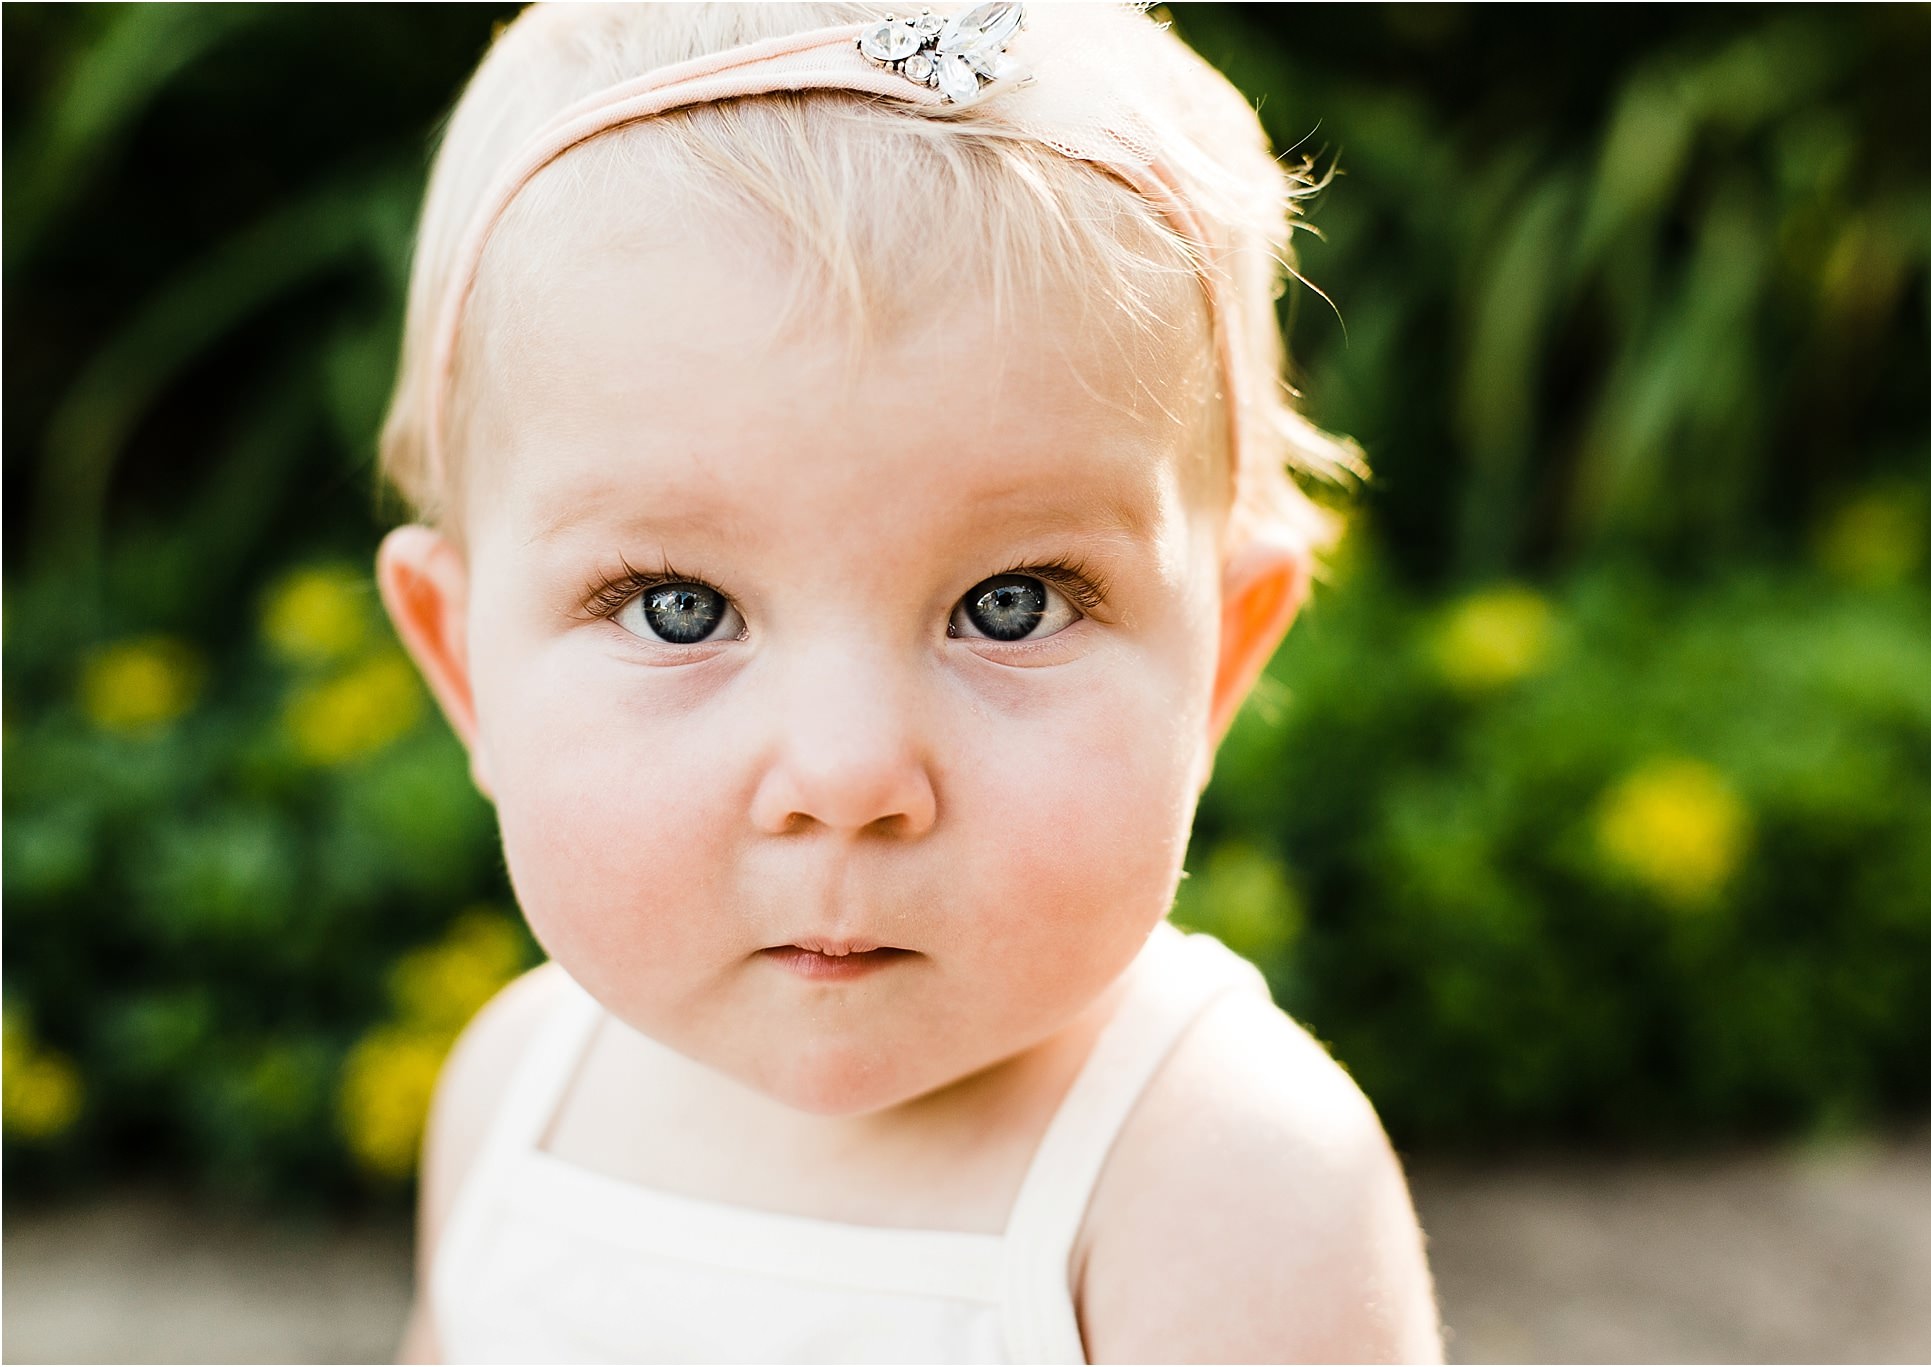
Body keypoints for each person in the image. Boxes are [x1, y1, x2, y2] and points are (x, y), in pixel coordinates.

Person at [372, 3, 1441, 1361]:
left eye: (1013, 605)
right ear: (465, 668)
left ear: (1224, 660)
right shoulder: (515, 1098)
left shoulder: (1220, 1184)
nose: (847, 774)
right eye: (678, 607)